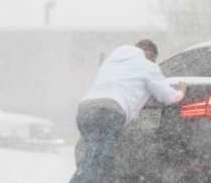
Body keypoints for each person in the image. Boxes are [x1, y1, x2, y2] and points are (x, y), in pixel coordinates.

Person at [69, 39, 186, 183]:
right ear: (149, 54)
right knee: (101, 164)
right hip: (109, 112)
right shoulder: (146, 66)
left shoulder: (111, 62)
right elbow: (167, 96)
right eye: (154, 59)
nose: (154, 63)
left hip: (85, 111)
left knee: (89, 160)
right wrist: (180, 91)